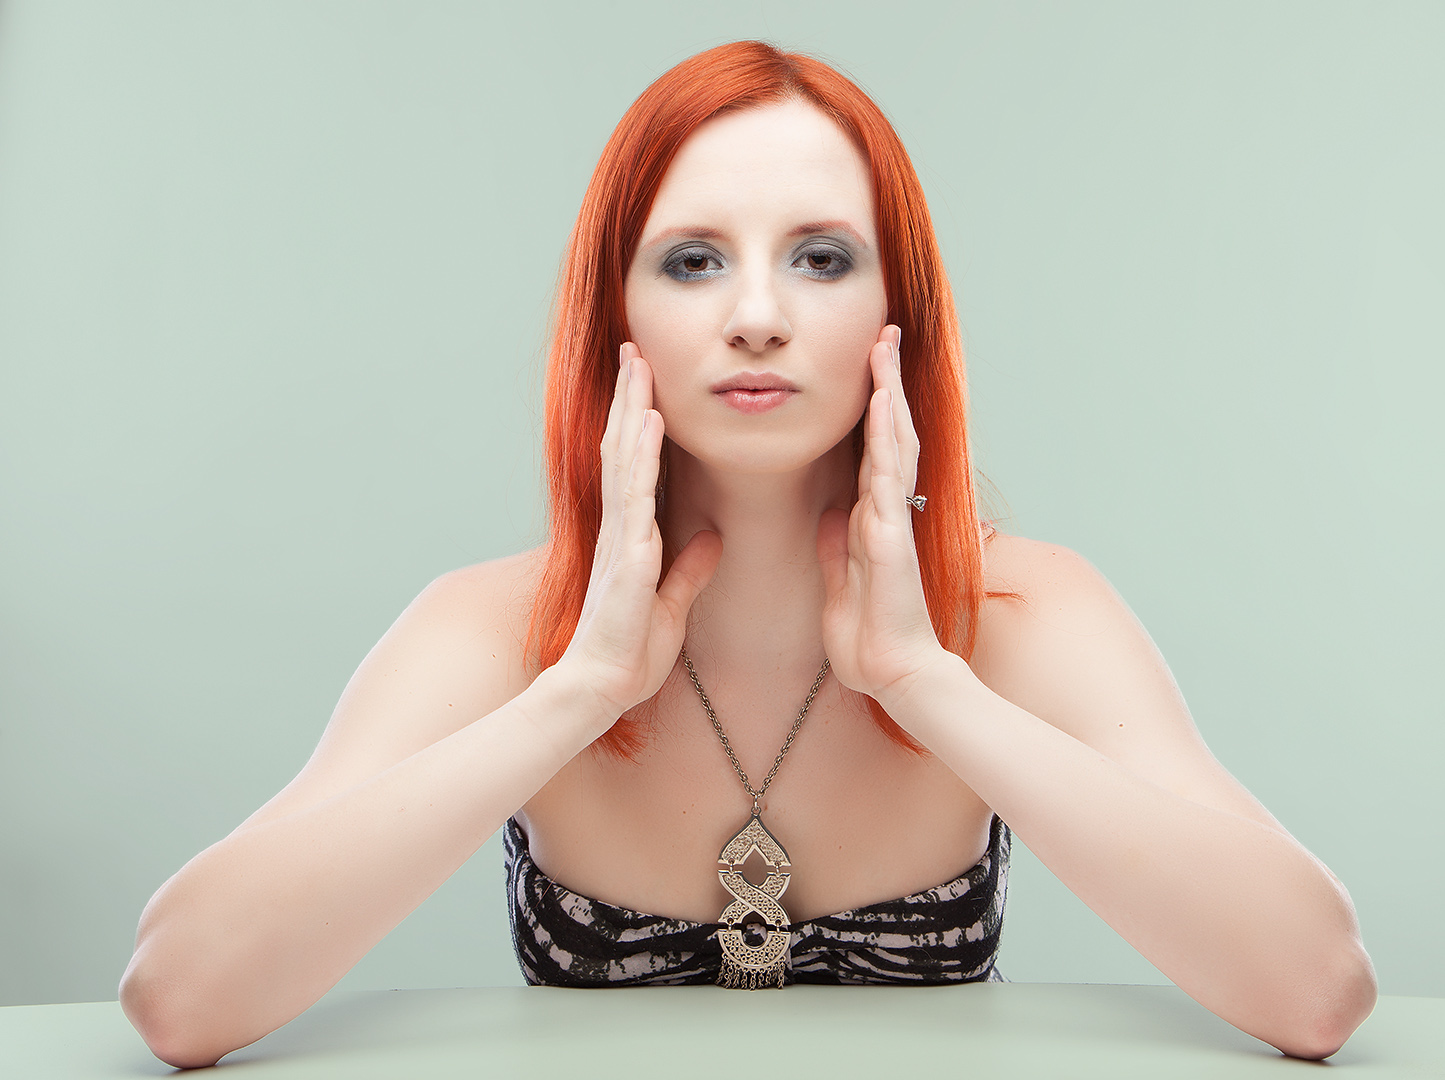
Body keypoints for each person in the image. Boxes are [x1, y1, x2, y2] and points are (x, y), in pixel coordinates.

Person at [119, 40, 1376, 1067]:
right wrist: (579, 690)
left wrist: (923, 680)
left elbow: (1316, 987)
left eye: (820, 259)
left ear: (894, 312)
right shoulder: (492, 629)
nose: (759, 317)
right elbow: (179, 996)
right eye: (693, 261)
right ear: (615, 313)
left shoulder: (1019, 610)